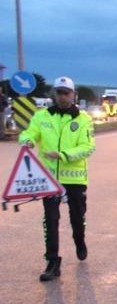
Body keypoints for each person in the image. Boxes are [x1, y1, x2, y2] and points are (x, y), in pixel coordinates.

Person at [19, 77, 95, 281]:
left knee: (77, 219)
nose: (62, 96)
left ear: (73, 94)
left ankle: (79, 241)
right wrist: (26, 141)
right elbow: (29, 133)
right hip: (49, 178)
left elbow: (88, 147)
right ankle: (53, 261)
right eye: (59, 92)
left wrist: (62, 155)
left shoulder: (83, 119)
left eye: (66, 92)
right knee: (50, 220)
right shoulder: (42, 116)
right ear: (55, 94)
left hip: (75, 178)